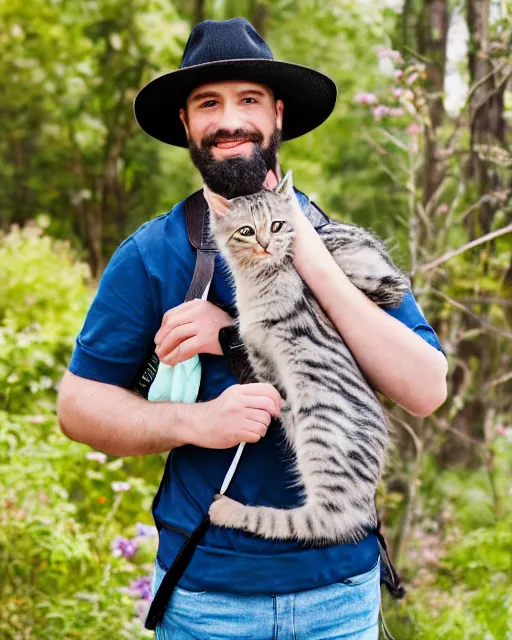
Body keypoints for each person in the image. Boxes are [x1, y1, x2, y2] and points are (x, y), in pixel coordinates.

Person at [57, 17, 448, 640]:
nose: (229, 119)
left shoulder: (340, 244)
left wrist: (298, 271)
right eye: (208, 103)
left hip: (340, 596)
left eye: (249, 100)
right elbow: (78, 407)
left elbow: (426, 388)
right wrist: (196, 423)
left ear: (278, 117)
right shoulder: (152, 254)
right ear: (186, 124)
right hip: (206, 597)